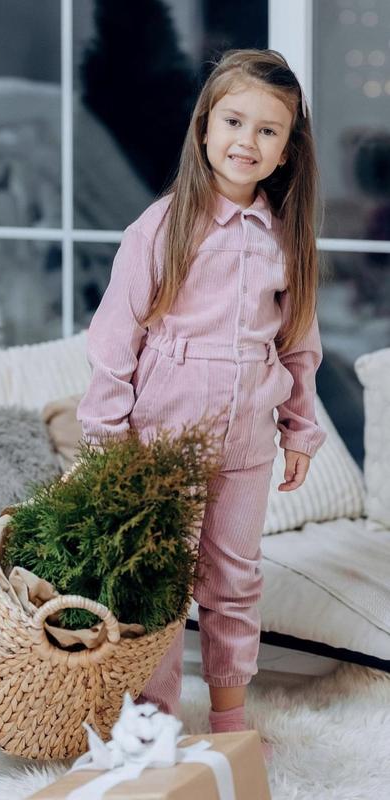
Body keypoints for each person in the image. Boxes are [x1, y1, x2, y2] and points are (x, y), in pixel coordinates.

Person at [76, 49, 328, 744]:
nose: (247, 141)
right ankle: (153, 725)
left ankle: (228, 723)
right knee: (158, 580)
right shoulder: (159, 229)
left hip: (246, 442)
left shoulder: (286, 240)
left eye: (268, 130)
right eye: (234, 121)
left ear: (286, 150)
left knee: (234, 580)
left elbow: (298, 347)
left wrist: (299, 429)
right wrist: (107, 443)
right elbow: (113, 341)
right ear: (205, 127)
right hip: (162, 438)